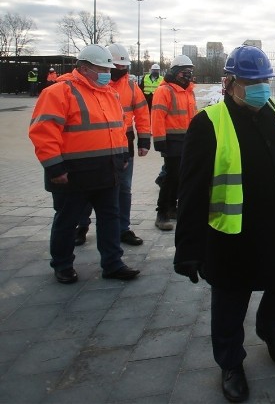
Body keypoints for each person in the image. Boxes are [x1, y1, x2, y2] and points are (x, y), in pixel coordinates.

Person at [174, 46, 275, 403]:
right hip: (232, 232)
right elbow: (192, 191)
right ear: (230, 82)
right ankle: (231, 363)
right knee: (231, 301)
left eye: (265, 80)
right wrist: (188, 249)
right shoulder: (209, 123)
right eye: (252, 81)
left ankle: (268, 328)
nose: (261, 87)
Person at [28, 44, 140, 283]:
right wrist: (55, 168)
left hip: (106, 172)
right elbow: (43, 131)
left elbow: (118, 129)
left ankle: (113, 263)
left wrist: (121, 158)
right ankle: (62, 265)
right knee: (67, 221)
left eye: (108, 69)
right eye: (102, 69)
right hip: (72, 174)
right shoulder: (59, 92)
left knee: (110, 218)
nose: (107, 74)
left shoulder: (109, 93)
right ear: (84, 68)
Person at [75, 44, 151, 247]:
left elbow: (142, 113)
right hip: (94, 145)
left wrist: (144, 139)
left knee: (123, 189)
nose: (120, 70)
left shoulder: (131, 87)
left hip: (123, 141)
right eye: (117, 65)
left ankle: (122, 229)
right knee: (89, 190)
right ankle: (81, 226)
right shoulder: (89, 86)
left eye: (123, 66)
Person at [151, 55, 196, 231]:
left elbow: (193, 115)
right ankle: (161, 212)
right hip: (171, 141)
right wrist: (159, 140)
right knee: (170, 177)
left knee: (180, 177)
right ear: (176, 72)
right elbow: (157, 116)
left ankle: (172, 208)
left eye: (190, 72)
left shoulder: (189, 91)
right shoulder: (165, 91)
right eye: (186, 72)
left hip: (187, 140)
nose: (188, 75)